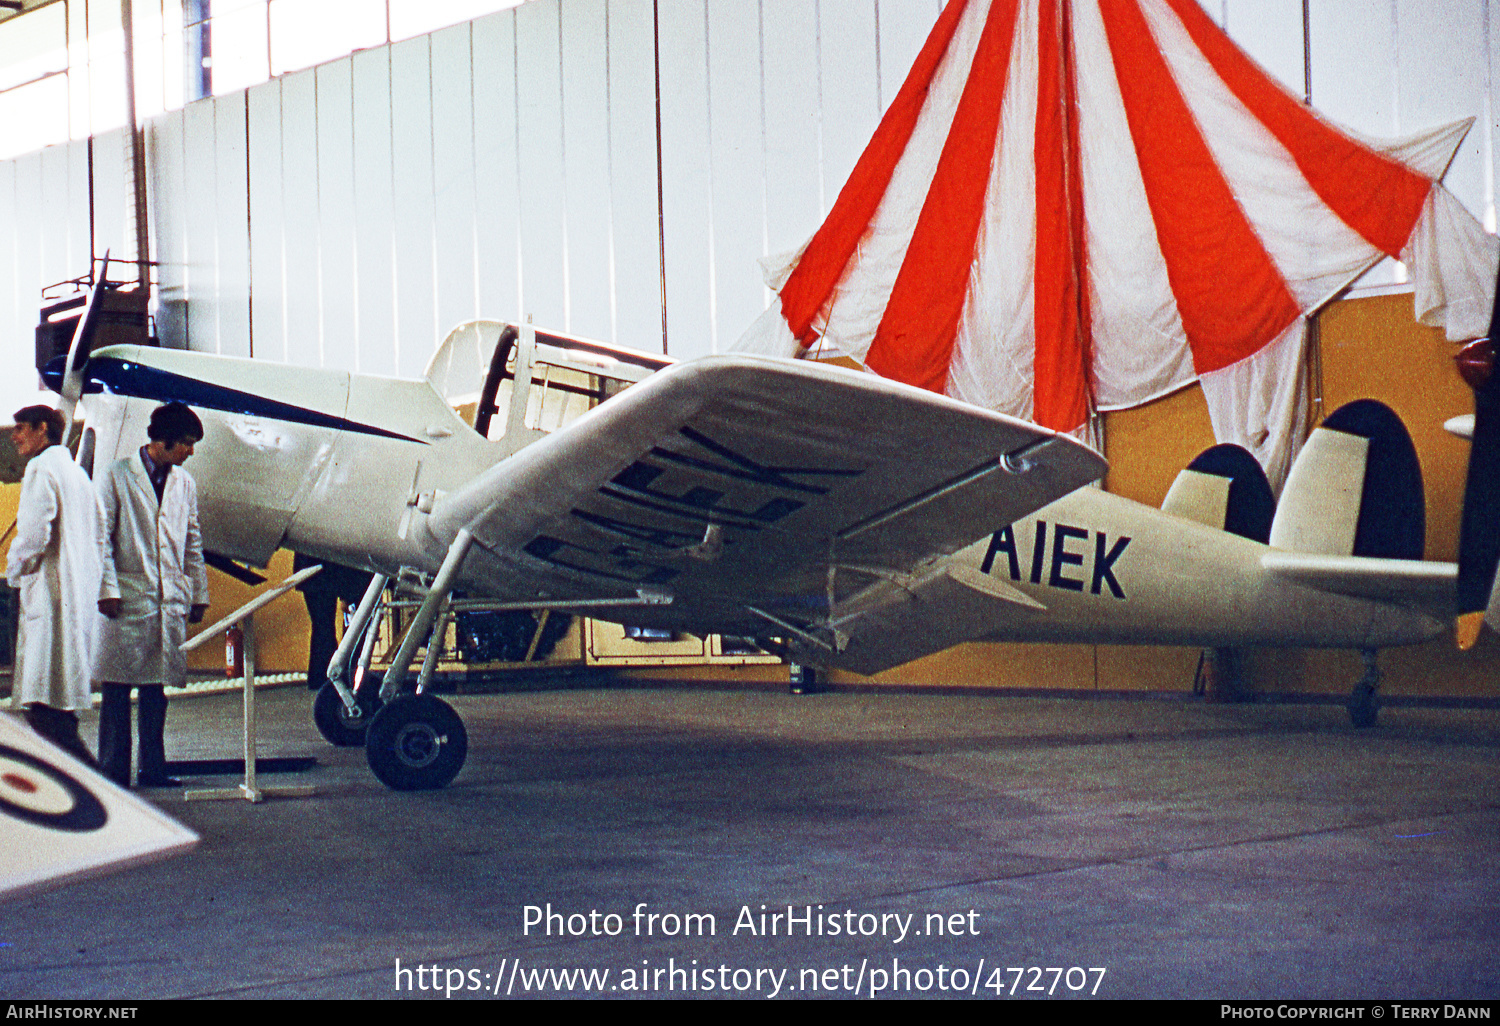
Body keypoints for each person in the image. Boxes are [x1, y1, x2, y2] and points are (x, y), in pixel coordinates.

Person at [95, 402, 210, 788]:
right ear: (161, 442)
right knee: (116, 689)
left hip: (167, 599)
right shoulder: (115, 476)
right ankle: (112, 771)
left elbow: (192, 542)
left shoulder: (184, 483)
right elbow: (100, 539)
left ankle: (153, 768)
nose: (191, 452)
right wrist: (106, 589)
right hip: (127, 597)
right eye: (187, 444)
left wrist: (198, 594)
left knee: (154, 689)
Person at [5, 405, 100, 766]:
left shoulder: (41, 469)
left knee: (43, 707)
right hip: (73, 596)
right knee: (57, 702)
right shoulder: (76, 474)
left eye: (20, 428)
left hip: (48, 594)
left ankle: (95, 783)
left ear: (42, 428)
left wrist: (15, 571)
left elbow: (33, 535)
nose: (14, 436)